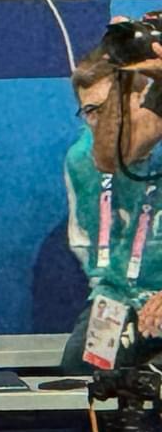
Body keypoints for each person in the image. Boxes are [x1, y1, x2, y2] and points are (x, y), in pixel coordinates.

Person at [62, 47, 162, 372]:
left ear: (141, 98)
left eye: (108, 108)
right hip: (118, 296)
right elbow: (84, 241)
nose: (101, 123)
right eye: (90, 111)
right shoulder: (81, 160)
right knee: (84, 368)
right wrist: (111, 297)